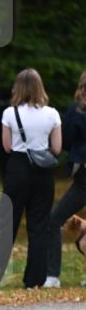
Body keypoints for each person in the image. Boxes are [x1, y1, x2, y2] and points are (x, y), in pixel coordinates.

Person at [0, 68, 61, 290]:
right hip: (43, 173)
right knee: (38, 226)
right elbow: (56, 148)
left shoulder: (9, 113)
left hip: (18, 169)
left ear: (17, 88)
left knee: (6, 224)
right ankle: (34, 280)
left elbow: (7, 147)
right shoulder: (52, 114)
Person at [44, 70, 86, 287]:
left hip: (84, 177)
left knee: (55, 220)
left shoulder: (76, 110)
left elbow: (67, 142)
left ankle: (52, 276)